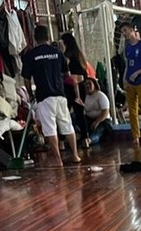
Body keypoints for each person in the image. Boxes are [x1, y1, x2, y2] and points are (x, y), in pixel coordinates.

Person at [22, 25, 81, 167]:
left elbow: (26, 79)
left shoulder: (30, 55)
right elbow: (66, 75)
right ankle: (75, 155)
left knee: (50, 129)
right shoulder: (58, 53)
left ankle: (58, 160)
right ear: (48, 37)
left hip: (44, 96)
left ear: (35, 38)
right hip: (60, 95)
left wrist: (30, 94)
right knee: (67, 125)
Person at [60, 32, 87, 136]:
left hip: (69, 86)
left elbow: (65, 72)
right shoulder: (80, 55)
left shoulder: (66, 56)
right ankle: (85, 138)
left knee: (64, 114)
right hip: (81, 85)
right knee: (80, 113)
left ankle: (63, 139)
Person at [81, 77, 111, 145]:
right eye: (86, 84)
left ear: (94, 84)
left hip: (102, 121)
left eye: (89, 84)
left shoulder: (100, 95)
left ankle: (89, 141)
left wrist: (97, 122)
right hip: (89, 119)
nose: (87, 86)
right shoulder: (84, 96)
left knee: (97, 133)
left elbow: (105, 111)